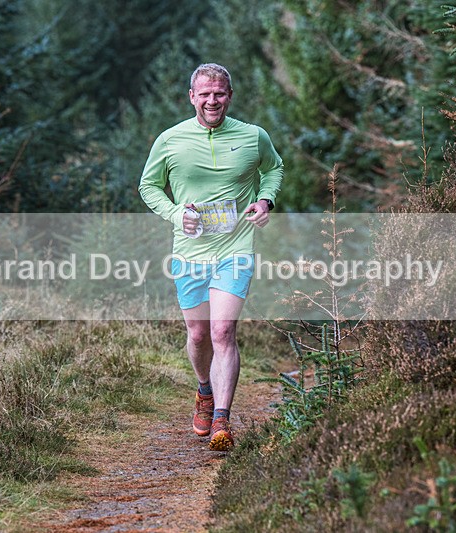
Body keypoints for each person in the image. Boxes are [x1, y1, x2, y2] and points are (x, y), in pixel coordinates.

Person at [138, 63, 283, 451]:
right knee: (199, 334)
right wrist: (174, 213)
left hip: (235, 248)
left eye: (219, 93)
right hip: (189, 252)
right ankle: (204, 390)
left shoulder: (253, 137)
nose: (212, 100)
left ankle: (222, 418)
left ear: (229, 96)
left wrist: (265, 199)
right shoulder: (170, 140)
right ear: (192, 97)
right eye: (204, 94)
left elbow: (274, 169)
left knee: (222, 331)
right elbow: (148, 186)